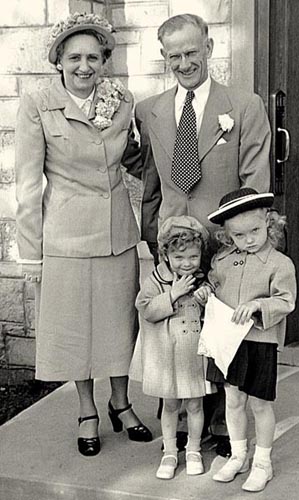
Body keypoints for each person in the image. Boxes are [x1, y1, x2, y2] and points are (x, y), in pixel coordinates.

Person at [134, 12, 272, 455]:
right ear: (164, 57)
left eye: (192, 51)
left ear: (209, 48)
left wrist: (245, 242)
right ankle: (174, 427)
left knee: (221, 333)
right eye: (174, 55)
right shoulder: (149, 110)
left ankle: (220, 425)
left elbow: (254, 181)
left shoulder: (244, 106)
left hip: (222, 241)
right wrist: (153, 238)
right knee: (176, 331)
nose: (184, 62)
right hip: (175, 244)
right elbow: (153, 182)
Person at [14, 12, 151, 457]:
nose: (84, 66)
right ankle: (87, 410)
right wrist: (31, 254)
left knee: (117, 322)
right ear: (59, 60)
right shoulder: (38, 103)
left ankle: (121, 403)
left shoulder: (122, 99)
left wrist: (177, 173)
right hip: (66, 236)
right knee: (76, 330)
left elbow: (133, 158)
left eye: (93, 57)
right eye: (74, 57)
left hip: (116, 233)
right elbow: (29, 183)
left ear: (105, 60)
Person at [203, 187, 297, 492]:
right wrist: (206, 292)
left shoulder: (279, 264)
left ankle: (262, 462)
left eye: (255, 231)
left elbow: (286, 301)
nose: (249, 240)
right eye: (239, 236)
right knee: (233, 399)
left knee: (259, 404)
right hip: (229, 342)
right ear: (229, 236)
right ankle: (239, 455)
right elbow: (213, 286)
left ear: (269, 223)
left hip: (260, 341)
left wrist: (259, 305)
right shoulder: (223, 261)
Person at [136, 216, 212, 479]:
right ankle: (170, 451)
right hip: (168, 355)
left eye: (193, 257)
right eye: (179, 258)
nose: (187, 264)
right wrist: (172, 294)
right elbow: (146, 309)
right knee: (170, 405)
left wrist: (206, 299)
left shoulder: (203, 279)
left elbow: (214, 311)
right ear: (166, 255)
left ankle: (193, 448)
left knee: (195, 405)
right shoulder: (156, 280)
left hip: (193, 355)